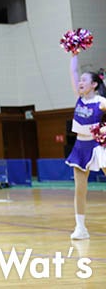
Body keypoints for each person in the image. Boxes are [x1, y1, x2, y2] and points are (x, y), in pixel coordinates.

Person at [64, 53, 106, 240]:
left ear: (94, 84)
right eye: (79, 80)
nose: (80, 82)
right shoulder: (79, 98)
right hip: (80, 145)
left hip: (98, 145)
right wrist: (74, 55)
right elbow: (73, 71)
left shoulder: (102, 102)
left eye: (84, 80)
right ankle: (80, 227)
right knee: (80, 189)